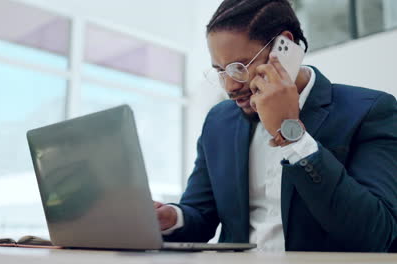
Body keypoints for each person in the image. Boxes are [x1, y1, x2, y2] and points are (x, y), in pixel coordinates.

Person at [154, 0, 396, 252]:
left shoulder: (370, 110)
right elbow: (201, 214)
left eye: (240, 67)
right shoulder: (219, 121)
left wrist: (292, 134)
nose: (230, 86)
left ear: (283, 46)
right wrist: (171, 217)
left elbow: (377, 233)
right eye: (220, 70)